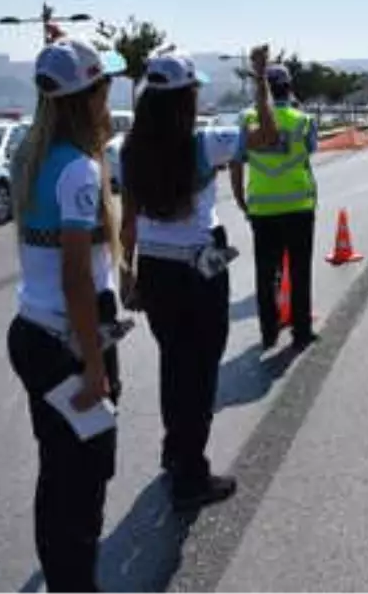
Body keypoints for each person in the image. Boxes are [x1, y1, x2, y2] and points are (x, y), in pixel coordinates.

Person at [118, 47, 278, 511]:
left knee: (174, 364)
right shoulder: (207, 142)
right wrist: (261, 80)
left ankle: (176, 453)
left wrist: (128, 275)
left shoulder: (129, 149)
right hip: (198, 270)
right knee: (201, 370)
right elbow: (267, 137)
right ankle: (191, 474)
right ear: (187, 96)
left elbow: (127, 220)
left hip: (156, 268)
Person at [8, 37, 126, 593]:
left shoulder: (29, 157)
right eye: (104, 86)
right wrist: (96, 367)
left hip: (31, 331)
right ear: (90, 95)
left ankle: (65, 581)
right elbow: (77, 277)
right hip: (69, 340)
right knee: (85, 476)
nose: (109, 97)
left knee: (57, 472)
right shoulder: (78, 170)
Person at [228, 63, 319, 349]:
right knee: (300, 271)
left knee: (266, 274)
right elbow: (311, 150)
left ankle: (268, 332)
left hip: (263, 211)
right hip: (299, 207)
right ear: (288, 87)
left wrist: (240, 198)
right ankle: (301, 332)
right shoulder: (302, 120)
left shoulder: (246, 119)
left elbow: (235, 161)